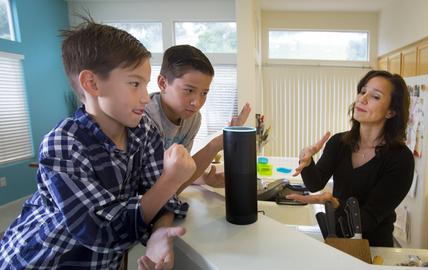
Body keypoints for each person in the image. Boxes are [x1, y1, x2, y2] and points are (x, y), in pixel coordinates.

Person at [0, 20, 195, 269]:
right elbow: (104, 230)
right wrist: (171, 179)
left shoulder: (144, 131)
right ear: (92, 83)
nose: (146, 97)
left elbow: (160, 199)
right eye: (135, 83)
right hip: (42, 261)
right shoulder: (64, 143)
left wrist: (160, 232)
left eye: (145, 85)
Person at [287, 70, 414, 247]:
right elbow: (315, 184)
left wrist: (335, 203)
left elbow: (369, 218)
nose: (362, 99)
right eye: (362, 92)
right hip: (336, 240)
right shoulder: (339, 142)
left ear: (391, 112)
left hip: (375, 249)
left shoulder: (401, 160)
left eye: (375, 97)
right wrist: (307, 162)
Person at [145, 44, 251, 192]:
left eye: (204, 93)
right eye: (189, 90)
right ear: (163, 83)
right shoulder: (145, 119)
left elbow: (179, 175)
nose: (197, 103)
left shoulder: (193, 119)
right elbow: (160, 189)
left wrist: (203, 178)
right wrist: (216, 144)